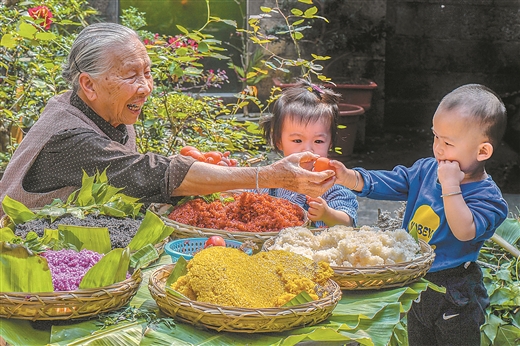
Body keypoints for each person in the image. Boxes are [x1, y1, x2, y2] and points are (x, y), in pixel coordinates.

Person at [0, 23, 336, 217]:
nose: (145, 87)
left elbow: (133, 175)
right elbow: (150, 173)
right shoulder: (70, 136)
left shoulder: (106, 110)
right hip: (28, 263)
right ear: (88, 84)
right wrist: (269, 175)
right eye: (131, 75)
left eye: (147, 72)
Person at [330, 84, 509, 345]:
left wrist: (450, 186)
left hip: (455, 291)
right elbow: (392, 181)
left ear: (482, 151)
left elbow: (464, 230)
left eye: (448, 143)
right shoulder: (426, 170)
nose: (437, 148)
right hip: (417, 281)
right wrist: (352, 178)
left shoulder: (488, 198)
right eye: (436, 136)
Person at [258, 80, 358, 227]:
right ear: (278, 141)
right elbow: (241, 195)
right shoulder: (269, 179)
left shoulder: (332, 184)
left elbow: (348, 221)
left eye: (318, 141)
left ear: (330, 143)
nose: (307, 150)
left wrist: (327, 214)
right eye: (297, 140)